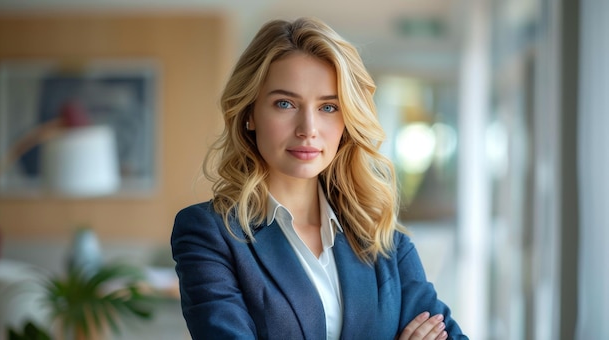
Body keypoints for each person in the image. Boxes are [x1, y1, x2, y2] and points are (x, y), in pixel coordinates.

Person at [171, 17, 468, 340]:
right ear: (249, 114)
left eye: (328, 107)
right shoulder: (210, 234)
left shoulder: (385, 242)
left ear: (347, 120)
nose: (308, 129)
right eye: (285, 103)